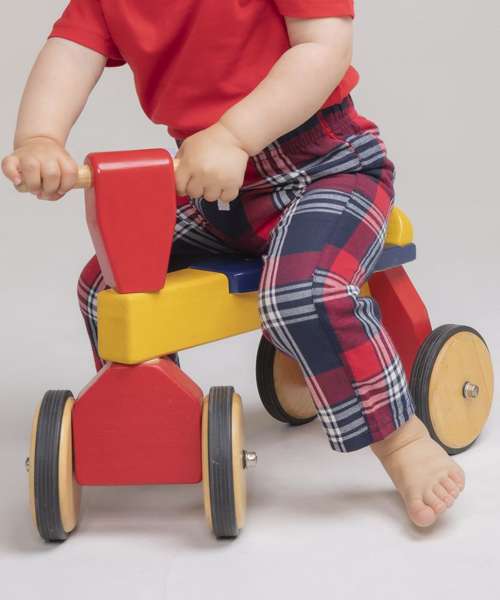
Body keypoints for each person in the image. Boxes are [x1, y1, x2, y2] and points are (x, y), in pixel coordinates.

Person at [1, 0, 464, 528]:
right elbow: (68, 51)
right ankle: (155, 421)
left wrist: (234, 135)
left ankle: (401, 439)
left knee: (304, 291)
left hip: (326, 168)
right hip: (215, 190)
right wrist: (40, 138)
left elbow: (324, 47)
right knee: (109, 283)